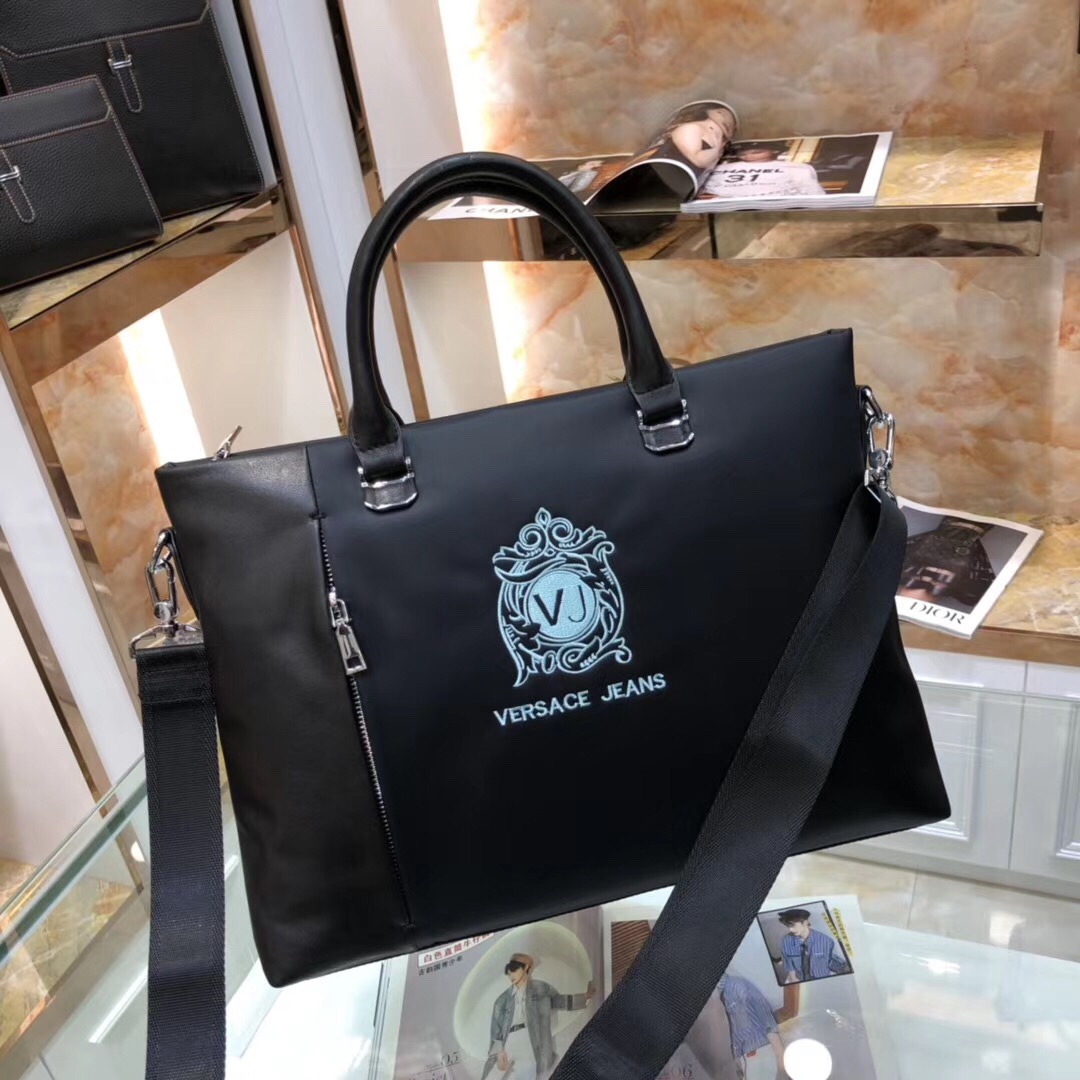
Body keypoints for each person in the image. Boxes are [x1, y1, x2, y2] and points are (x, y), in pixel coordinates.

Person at [481, 953, 596, 1080]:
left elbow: (559, 1001)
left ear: (526, 967)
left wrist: (584, 997)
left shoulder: (541, 989)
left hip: (530, 1039)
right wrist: (499, 1051)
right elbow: (496, 1030)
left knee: (526, 1075)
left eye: (514, 968)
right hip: (508, 1042)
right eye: (508, 970)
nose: (510, 974)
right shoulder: (502, 1000)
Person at [686, 972, 786, 1079]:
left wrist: (782, 1068)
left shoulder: (737, 986)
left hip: (762, 1055)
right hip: (739, 1066)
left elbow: (769, 1024)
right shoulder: (708, 1006)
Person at [701, 144, 826, 200]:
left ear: (774, 150)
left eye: (757, 151)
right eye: (745, 152)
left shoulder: (797, 168)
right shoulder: (718, 168)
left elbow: (814, 194)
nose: (750, 154)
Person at [777, 910, 849, 983]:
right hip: (799, 978)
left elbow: (833, 962)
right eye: (788, 926)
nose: (790, 929)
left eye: (793, 925)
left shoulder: (826, 941)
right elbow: (789, 963)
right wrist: (793, 979)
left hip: (821, 979)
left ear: (805, 923)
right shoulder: (787, 940)